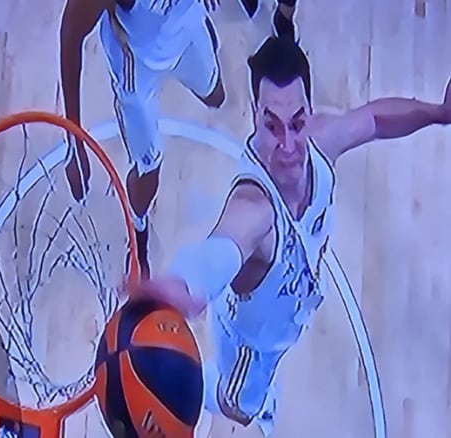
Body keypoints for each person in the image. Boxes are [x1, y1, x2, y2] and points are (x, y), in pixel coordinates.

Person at [130, 36, 451, 435]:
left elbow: (374, 120)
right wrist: (184, 287)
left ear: (310, 112)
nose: (287, 145)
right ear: (254, 115)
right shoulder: (254, 207)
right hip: (250, 347)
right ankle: (202, 387)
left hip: (284, 314)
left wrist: (439, 113)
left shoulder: (321, 140)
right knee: (240, 408)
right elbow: (222, 249)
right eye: (272, 125)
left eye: (297, 123)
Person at [59, 0, 226, 278]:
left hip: (186, 33)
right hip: (137, 67)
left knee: (215, 95)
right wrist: (74, 142)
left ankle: (204, 33)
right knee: (148, 171)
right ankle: (139, 236)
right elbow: (70, 36)